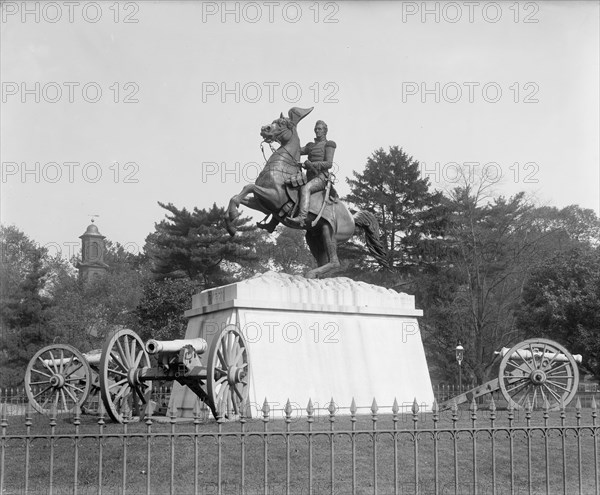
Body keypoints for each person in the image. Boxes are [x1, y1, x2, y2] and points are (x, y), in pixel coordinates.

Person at [288, 120, 336, 226]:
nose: (317, 131)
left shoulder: (329, 144)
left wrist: (311, 164)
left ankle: (302, 217)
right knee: (289, 187)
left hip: (321, 177)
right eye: (316, 129)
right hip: (308, 177)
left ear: (325, 131)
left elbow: (329, 164)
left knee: (305, 188)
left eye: (319, 129)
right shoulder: (310, 146)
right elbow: (296, 150)